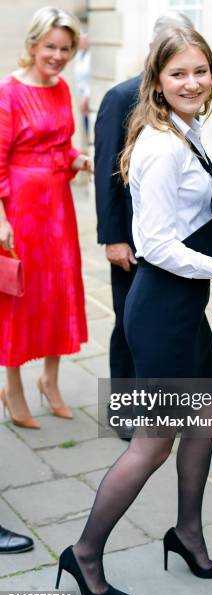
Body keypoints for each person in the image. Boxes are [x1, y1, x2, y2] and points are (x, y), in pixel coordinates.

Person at [56, 26, 212, 595]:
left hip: (183, 303)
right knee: (153, 441)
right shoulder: (160, 143)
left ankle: (187, 534)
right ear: (157, 80)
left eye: (200, 70)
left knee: (205, 418)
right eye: (178, 73)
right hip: (162, 306)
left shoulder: (187, 130)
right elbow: (155, 244)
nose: (191, 82)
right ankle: (84, 554)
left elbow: (184, 226)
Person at [94, 11, 193, 440]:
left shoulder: (181, 100)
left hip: (171, 240)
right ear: (153, 48)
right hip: (132, 239)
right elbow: (106, 173)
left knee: (161, 328)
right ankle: (123, 410)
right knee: (128, 322)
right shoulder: (121, 96)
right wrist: (112, 237)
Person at [0, 7, 92, 429]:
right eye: (50, 47)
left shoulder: (61, 89)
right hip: (19, 207)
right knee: (18, 296)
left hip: (58, 207)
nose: (57, 56)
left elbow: (62, 146)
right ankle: (13, 386)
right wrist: (1, 219)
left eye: (65, 48)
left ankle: (50, 382)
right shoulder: (9, 92)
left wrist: (79, 159)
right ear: (33, 44)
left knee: (58, 291)